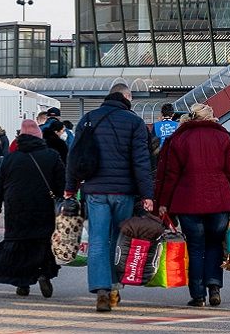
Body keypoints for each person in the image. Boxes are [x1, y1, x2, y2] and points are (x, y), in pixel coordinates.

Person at [64, 82, 154, 313]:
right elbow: (141, 162)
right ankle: (114, 287)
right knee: (117, 240)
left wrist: (70, 188)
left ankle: (101, 290)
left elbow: (74, 157)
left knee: (97, 240)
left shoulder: (88, 119)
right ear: (126, 96)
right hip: (123, 192)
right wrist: (147, 195)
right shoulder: (134, 122)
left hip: (95, 191)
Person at [155, 104, 230, 308]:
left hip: (188, 201)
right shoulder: (223, 137)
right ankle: (214, 286)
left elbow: (170, 174)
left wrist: (163, 202)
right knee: (215, 245)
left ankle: (198, 295)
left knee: (195, 247)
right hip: (220, 200)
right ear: (211, 117)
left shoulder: (178, 139)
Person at [0, 120, 65, 298]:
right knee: (43, 242)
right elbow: (61, 184)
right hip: (44, 207)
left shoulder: (11, 158)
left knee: (20, 243)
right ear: (39, 136)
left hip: (16, 208)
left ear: (20, 137)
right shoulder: (51, 156)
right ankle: (44, 273)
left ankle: (22, 283)